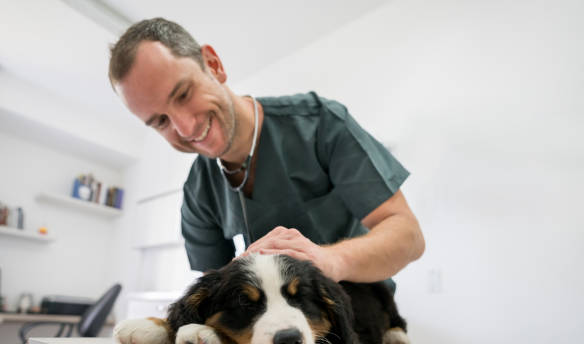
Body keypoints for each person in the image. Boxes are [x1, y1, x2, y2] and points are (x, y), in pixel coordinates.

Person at [108, 18, 425, 286]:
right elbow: (215, 286)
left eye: (184, 93)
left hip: (360, 323)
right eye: (161, 122)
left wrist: (329, 260)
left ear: (214, 65)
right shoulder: (198, 190)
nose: (186, 128)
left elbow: (408, 236)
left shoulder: (319, 125)